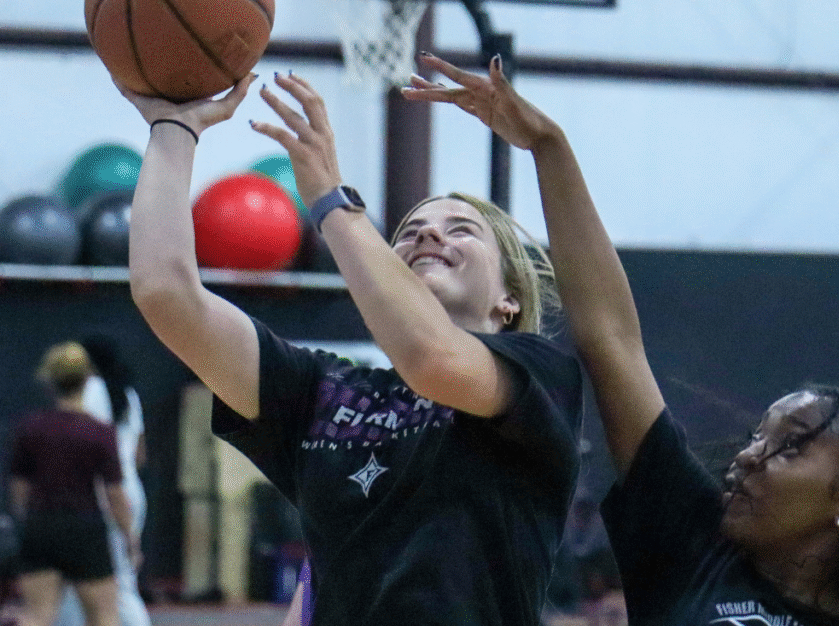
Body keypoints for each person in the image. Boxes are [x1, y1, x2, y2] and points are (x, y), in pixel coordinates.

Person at [402, 54, 839, 626]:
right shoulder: (690, 541)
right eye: (759, 436)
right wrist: (548, 146)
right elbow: (610, 340)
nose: (749, 456)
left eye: (789, 447)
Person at [117, 70, 583, 626]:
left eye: (461, 230)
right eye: (409, 232)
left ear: (509, 300)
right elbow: (166, 295)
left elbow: (432, 359)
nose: (429, 235)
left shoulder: (542, 378)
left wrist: (331, 202)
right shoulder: (324, 391)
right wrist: (173, 127)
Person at [7, 342, 138, 626]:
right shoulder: (100, 432)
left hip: (41, 524)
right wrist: (129, 537)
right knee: (104, 616)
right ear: (88, 380)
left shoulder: (30, 427)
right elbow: (114, 493)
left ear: (49, 381)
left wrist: (28, 522)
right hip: (85, 528)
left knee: (37, 616)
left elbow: (19, 489)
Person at [55, 336, 150, 626]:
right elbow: (139, 455)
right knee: (121, 578)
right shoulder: (128, 395)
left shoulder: (89, 390)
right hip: (131, 490)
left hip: (100, 493)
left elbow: (82, 445)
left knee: (87, 579)